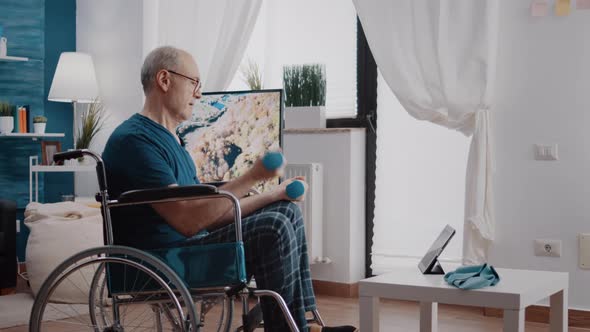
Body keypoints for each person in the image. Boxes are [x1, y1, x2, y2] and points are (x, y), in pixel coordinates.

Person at [102, 46, 357, 332]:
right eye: (194, 83)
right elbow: (188, 221)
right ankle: (287, 328)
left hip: (184, 249)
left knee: (286, 211)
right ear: (164, 80)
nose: (199, 94)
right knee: (274, 226)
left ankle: (304, 324)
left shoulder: (173, 143)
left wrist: (275, 194)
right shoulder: (135, 141)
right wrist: (253, 176)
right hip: (162, 261)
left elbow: (207, 215)